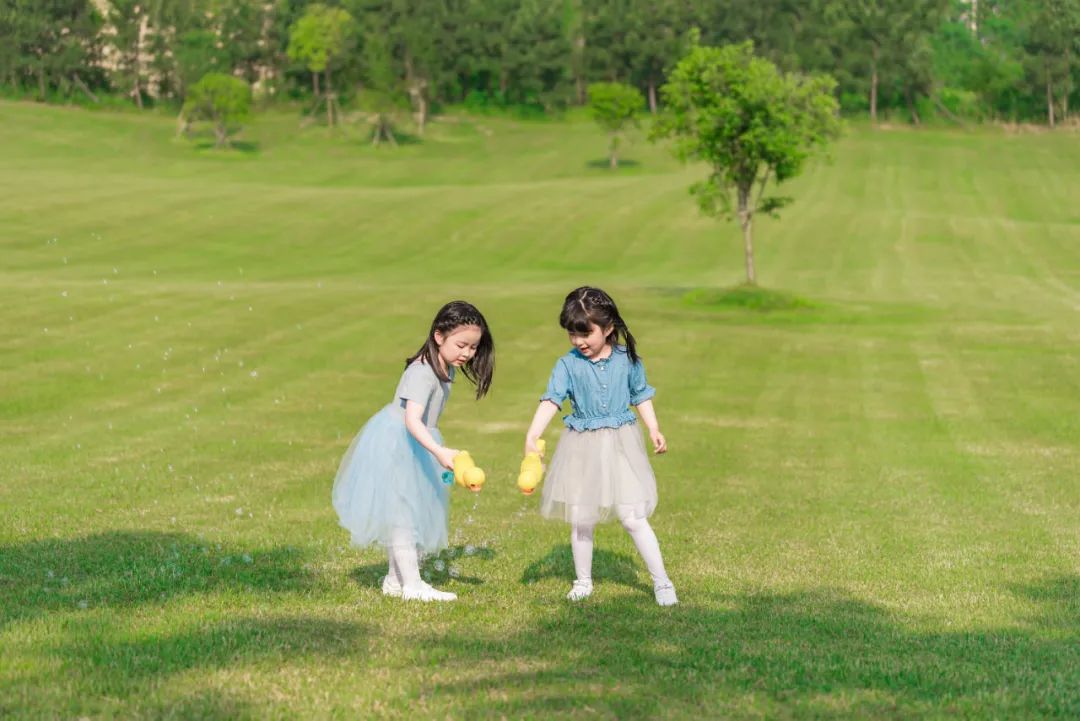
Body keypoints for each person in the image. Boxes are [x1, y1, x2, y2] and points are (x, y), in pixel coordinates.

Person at [524, 287, 677, 606]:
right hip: (582, 446)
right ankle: (583, 581)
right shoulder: (567, 365)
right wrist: (533, 434)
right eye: (572, 334)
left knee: (633, 517)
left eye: (586, 333)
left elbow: (640, 395)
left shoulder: (627, 360)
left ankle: (662, 581)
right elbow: (552, 399)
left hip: (621, 444)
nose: (578, 341)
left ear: (608, 328)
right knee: (582, 518)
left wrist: (653, 428)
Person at [333, 301, 494, 602]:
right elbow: (412, 420)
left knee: (411, 514)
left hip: (418, 441)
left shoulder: (445, 366)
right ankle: (413, 586)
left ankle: (395, 581)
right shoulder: (423, 372)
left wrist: (437, 449)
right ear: (438, 336)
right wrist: (439, 452)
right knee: (403, 518)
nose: (467, 353)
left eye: (473, 347)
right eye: (461, 345)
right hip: (400, 443)